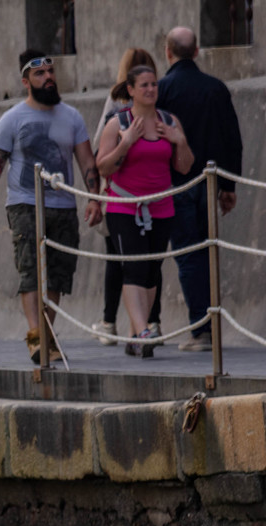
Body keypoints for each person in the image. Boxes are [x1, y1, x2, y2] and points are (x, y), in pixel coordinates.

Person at [0, 51, 102, 366]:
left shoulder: (72, 117)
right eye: (39, 74)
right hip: (25, 204)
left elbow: (87, 161)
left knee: (58, 275)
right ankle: (37, 335)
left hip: (63, 204)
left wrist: (94, 197)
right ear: (26, 81)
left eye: (50, 71)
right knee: (32, 271)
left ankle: (45, 334)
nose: (47, 77)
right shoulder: (12, 119)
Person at [97, 65, 192, 359]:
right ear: (131, 90)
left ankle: (136, 333)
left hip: (161, 207)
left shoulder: (169, 121)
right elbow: (103, 166)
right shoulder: (118, 123)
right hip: (124, 207)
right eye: (144, 85)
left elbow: (185, 166)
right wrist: (126, 143)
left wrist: (180, 141)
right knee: (134, 268)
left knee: (152, 271)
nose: (150, 90)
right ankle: (142, 333)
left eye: (154, 84)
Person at [159, 25, 243, 352]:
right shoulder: (216, 88)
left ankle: (201, 329)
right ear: (196, 52)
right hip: (208, 183)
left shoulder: (163, 89)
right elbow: (231, 140)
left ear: (168, 52)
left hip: (175, 183)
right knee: (206, 251)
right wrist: (228, 185)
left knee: (188, 256)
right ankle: (209, 325)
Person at [91, 47, 161, 346]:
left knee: (122, 262)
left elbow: (97, 152)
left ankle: (114, 323)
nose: (148, 89)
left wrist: (95, 197)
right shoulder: (124, 113)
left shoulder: (119, 105)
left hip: (126, 198)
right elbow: (102, 157)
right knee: (145, 264)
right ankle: (149, 324)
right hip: (133, 198)